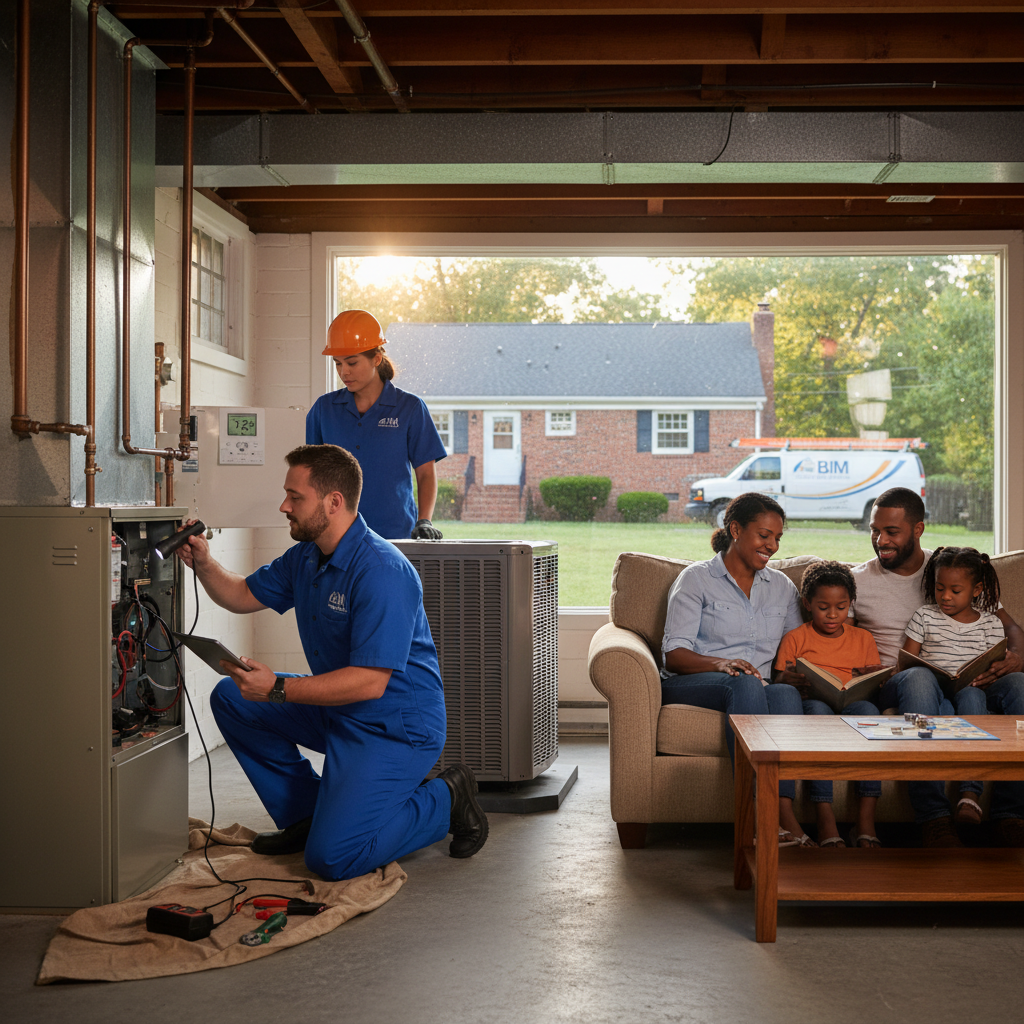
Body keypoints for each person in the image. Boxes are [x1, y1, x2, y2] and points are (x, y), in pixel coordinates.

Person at [176, 443, 488, 881]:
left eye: (295, 497)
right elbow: (242, 594)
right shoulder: (306, 556)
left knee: (334, 858)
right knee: (233, 697)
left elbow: (369, 683)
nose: (284, 506)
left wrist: (277, 688)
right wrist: (205, 563)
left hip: (394, 727)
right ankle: (307, 816)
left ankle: (446, 799)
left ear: (333, 502)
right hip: (340, 710)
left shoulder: (382, 571)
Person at [854, 486, 1024, 848]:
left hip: (969, 679)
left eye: (891, 531)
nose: (880, 540)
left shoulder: (950, 569)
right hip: (901, 681)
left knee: (1020, 686)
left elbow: (1010, 628)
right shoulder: (858, 581)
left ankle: (1010, 814)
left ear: (918, 529)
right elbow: (837, 638)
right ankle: (933, 816)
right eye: (875, 530)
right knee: (918, 677)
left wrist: (1016, 655)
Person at [661, 492, 809, 846]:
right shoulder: (696, 579)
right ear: (736, 530)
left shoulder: (782, 587)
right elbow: (673, 655)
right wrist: (721, 663)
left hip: (757, 683)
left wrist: (790, 673)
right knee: (743, 682)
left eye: (778, 538)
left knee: (785, 694)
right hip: (695, 681)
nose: (772, 546)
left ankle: (784, 813)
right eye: (764, 535)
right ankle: (755, 811)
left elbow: (793, 649)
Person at [902, 546, 1022, 831]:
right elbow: (907, 661)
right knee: (933, 685)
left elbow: (993, 661)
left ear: (976, 590)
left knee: (994, 689)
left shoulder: (991, 622)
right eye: (939, 588)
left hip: (976, 688)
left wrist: (994, 671)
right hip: (937, 689)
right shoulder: (925, 615)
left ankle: (987, 803)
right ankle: (936, 814)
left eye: (955, 590)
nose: (945, 596)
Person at [306, 309, 447, 541]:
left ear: (377, 359)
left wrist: (424, 520)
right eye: (338, 363)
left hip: (396, 535)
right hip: (337, 536)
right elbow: (311, 475)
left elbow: (425, 473)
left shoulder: (410, 408)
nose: (344, 372)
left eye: (352, 362)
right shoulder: (324, 409)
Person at [774, 561, 883, 849]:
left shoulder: (863, 638)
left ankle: (865, 821)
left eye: (841, 607)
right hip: (815, 704)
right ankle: (825, 817)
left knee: (871, 714)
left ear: (851, 604)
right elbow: (780, 677)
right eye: (823, 607)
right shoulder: (796, 638)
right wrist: (789, 678)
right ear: (807, 604)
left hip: (854, 702)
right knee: (819, 718)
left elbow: (873, 679)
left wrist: (870, 678)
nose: (833, 615)